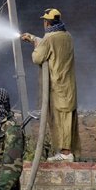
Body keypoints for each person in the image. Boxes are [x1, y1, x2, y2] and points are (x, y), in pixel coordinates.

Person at [23, 8, 79, 160]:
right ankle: (66, 151)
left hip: (57, 85)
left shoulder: (49, 38)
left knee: (61, 118)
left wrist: (36, 45)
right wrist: (34, 39)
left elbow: (38, 57)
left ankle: (65, 153)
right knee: (67, 117)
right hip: (68, 85)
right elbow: (52, 48)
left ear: (47, 22)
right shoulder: (67, 36)